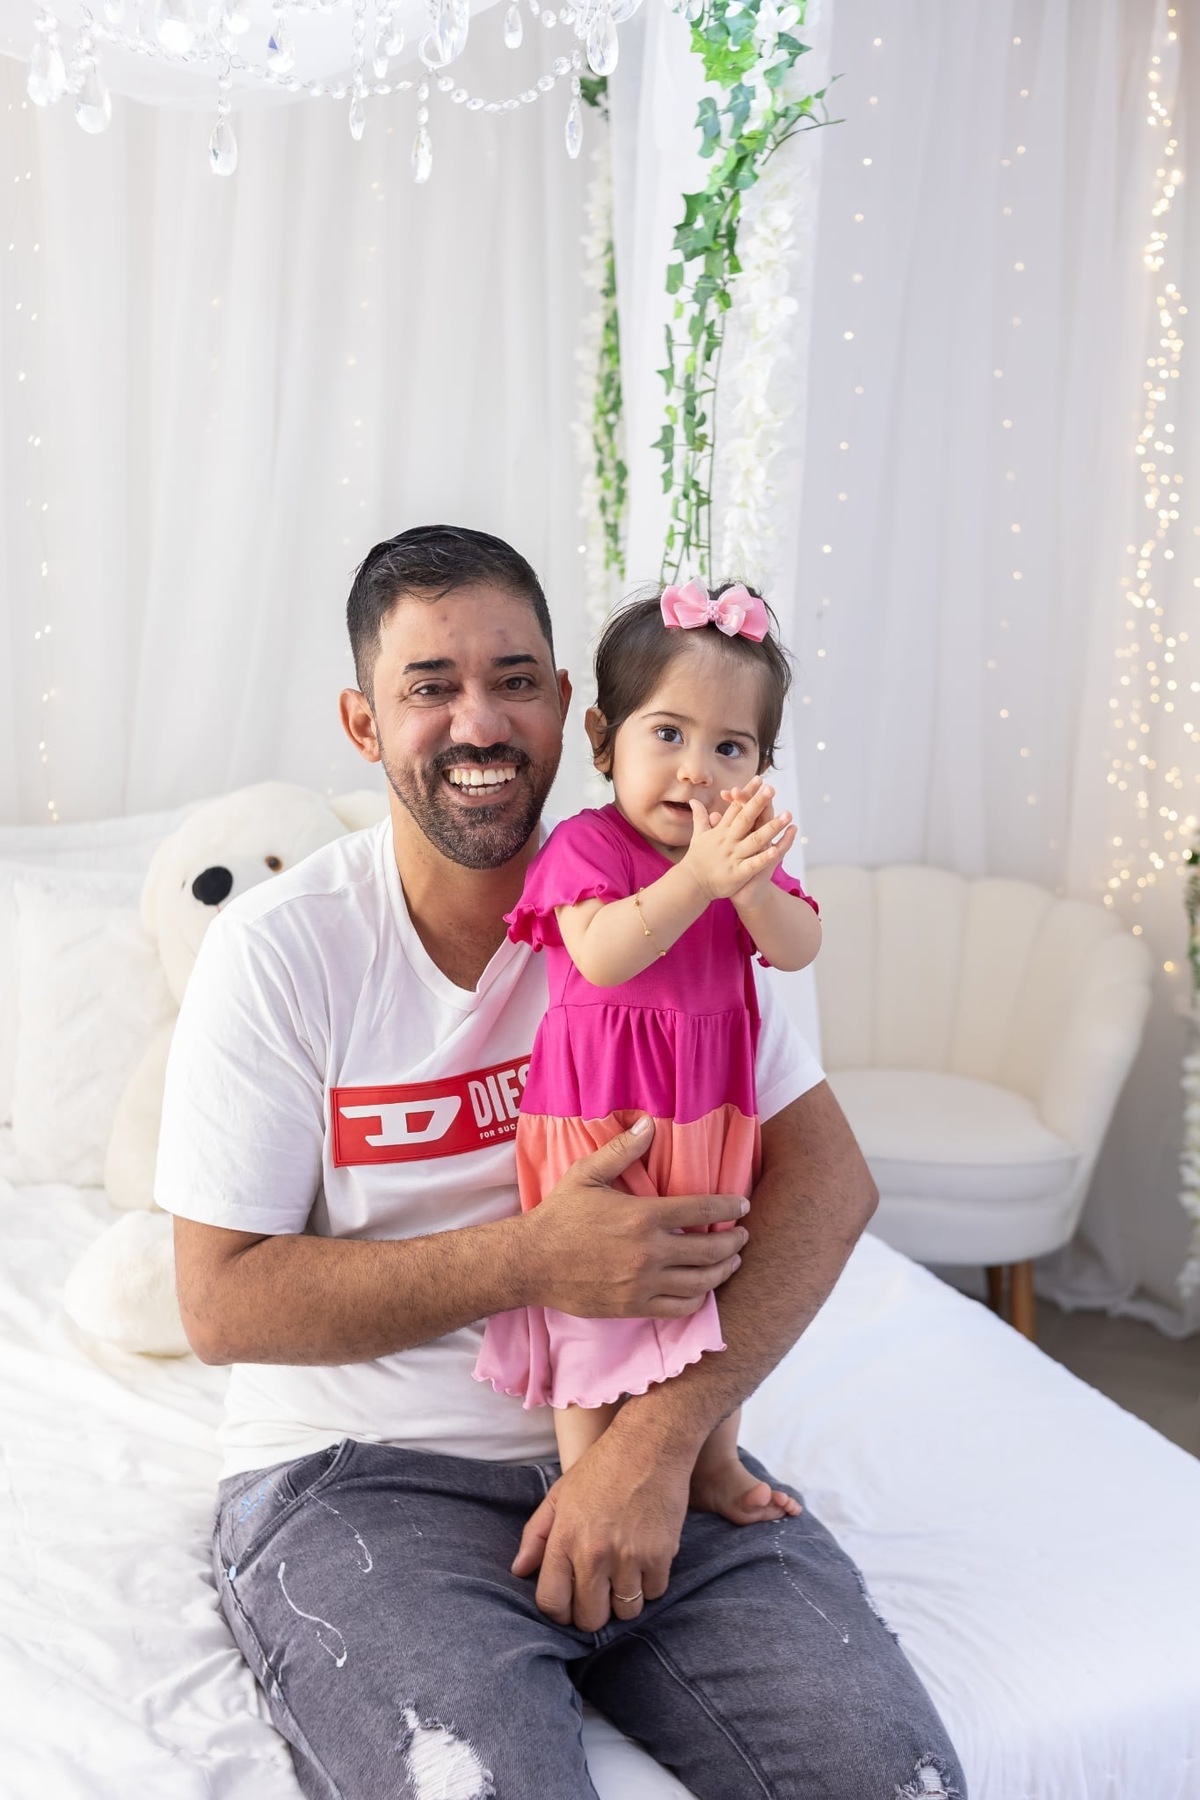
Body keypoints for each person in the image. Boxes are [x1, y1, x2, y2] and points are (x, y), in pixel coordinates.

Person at [160, 524, 967, 1800]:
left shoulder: (690, 901)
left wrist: (652, 1452)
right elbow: (219, 1302)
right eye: (430, 685)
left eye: (514, 678)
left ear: (571, 712)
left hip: (651, 1433)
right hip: (366, 1480)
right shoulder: (282, 952)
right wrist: (532, 1259)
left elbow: (830, 1184)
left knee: (893, 1778)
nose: (478, 720)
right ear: (364, 725)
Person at [475, 581, 822, 1533]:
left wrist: (745, 889)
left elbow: (798, 948)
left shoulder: (739, 860)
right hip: (600, 1125)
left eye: (730, 747)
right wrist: (698, 882)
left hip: (710, 1117)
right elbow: (603, 952)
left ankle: (710, 1459)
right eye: (667, 735)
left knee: (713, 1285)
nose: (696, 772)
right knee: (595, 1302)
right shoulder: (589, 846)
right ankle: (588, 1478)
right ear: (602, 740)